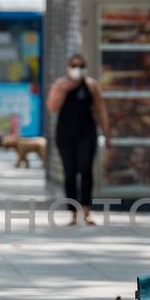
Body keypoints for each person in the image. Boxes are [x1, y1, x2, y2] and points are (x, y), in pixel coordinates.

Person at [46, 53, 111, 225]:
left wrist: (106, 132)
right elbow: (52, 107)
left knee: (86, 170)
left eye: (81, 65)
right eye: (74, 66)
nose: (77, 69)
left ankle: (86, 210)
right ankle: (73, 212)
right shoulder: (60, 85)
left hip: (87, 133)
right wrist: (65, 89)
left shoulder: (91, 85)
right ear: (68, 67)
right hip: (65, 135)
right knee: (70, 173)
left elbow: (100, 109)